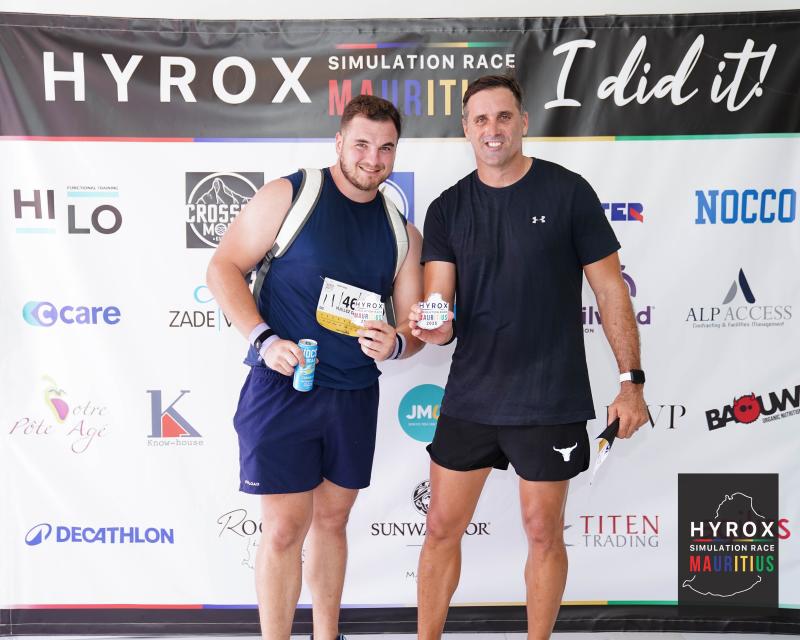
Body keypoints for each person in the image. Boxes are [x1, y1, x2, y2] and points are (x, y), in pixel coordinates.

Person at [409, 75, 649, 640]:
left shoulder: (568, 192)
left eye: (503, 116)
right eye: (480, 119)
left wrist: (631, 382)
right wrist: (435, 327)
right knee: (440, 528)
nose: (492, 129)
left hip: (549, 396)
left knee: (544, 532)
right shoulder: (448, 208)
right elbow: (440, 310)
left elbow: (610, 291)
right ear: (466, 129)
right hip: (471, 396)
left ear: (523, 121)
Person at [207, 95, 423, 640]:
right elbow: (223, 267)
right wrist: (263, 339)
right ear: (340, 142)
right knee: (284, 530)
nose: (373, 158)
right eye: (362, 144)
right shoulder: (291, 194)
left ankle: (327, 635)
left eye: (386, 148)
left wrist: (396, 343)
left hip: (352, 395)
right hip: (283, 388)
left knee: (332, 522)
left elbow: (412, 327)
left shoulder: (402, 231)